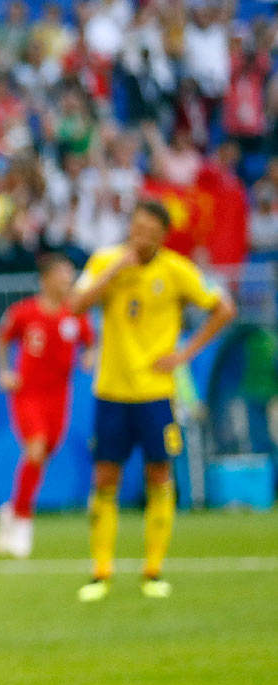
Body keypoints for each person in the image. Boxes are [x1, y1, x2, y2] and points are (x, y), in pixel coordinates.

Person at [68, 200, 235, 601]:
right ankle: (100, 573)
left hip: (156, 394)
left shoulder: (177, 270)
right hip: (111, 390)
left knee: (159, 475)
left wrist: (185, 354)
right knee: (105, 477)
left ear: (162, 235)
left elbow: (223, 309)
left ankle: (153, 571)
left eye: (149, 231)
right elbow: (75, 306)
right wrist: (114, 270)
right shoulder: (105, 261)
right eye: (136, 227)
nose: (140, 236)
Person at [0, 253, 96, 557]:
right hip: (28, 394)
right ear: (46, 280)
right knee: (35, 448)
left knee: (43, 455)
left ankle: (12, 510)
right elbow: (2, 340)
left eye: (69, 277)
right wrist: (3, 371)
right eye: (62, 277)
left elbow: (90, 341)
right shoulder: (24, 313)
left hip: (59, 398)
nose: (67, 282)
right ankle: (24, 522)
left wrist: (89, 356)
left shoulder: (76, 314)